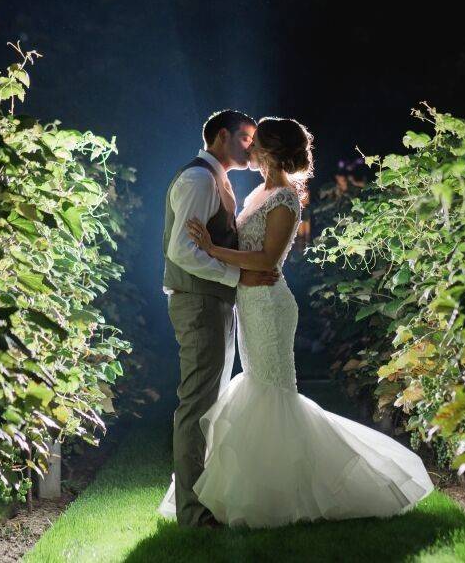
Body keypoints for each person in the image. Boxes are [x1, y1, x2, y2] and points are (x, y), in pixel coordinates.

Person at [158, 117, 434, 528]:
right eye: (245, 140)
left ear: (269, 150)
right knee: (247, 390)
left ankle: (289, 491)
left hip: (267, 301)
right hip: (246, 299)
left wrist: (215, 249)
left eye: (254, 143)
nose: (248, 150)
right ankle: (217, 499)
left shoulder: (285, 198)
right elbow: (207, 250)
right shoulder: (249, 191)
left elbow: (267, 261)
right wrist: (226, 263)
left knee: (273, 392)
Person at [160, 109, 279, 528]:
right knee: (196, 405)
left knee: (206, 403)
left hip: (211, 301)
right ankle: (192, 514)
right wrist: (238, 274)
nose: (252, 145)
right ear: (223, 136)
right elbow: (182, 250)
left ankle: (201, 500)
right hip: (198, 302)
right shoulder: (198, 179)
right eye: (247, 138)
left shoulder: (216, 178)